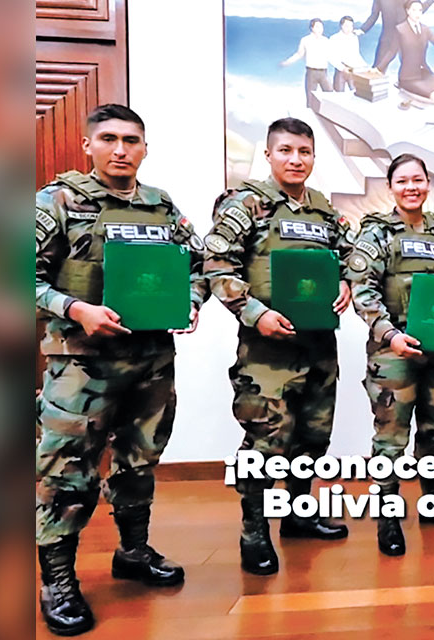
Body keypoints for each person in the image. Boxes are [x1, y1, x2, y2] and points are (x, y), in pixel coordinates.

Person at [35, 104, 208, 635]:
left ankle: (133, 552)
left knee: (139, 462)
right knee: (66, 472)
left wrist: (190, 302)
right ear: (88, 146)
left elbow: (197, 266)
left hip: (151, 363)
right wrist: (76, 309)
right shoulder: (57, 201)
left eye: (131, 140)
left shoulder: (162, 207)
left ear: (145, 148)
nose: (120, 149)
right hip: (81, 367)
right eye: (108, 138)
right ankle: (58, 581)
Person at [203, 117, 355, 576]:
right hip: (266, 350)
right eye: (286, 150)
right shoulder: (245, 204)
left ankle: (297, 516)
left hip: (318, 347)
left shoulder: (325, 212)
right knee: (266, 442)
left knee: (313, 435)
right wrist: (256, 314)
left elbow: (349, 258)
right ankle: (254, 532)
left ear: (313, 157)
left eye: (304, 152)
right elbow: (216, 265)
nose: (296, 159)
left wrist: (347, 282)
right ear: (269, 155)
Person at [347, 153, 434, 556]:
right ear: (391, 187)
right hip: (394, 354)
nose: (411, 187)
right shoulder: (377, 234)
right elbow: (362, 290)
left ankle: (433, 502)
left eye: (418, 180)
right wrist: (390, 335)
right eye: (402, 181)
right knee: (391, 439)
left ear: (427, 185)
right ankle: (388, 518)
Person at [375, 0, 434, 106]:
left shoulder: (425, 29)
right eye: (414, 10)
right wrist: (378, 69)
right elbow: (391, 52)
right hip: (408, 77)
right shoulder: (400, 29)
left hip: (425, 73)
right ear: (408, 11)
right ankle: (407, 95)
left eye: (419, 10)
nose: (417, 13)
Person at [361, 0, 434, 75]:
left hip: (406, 38)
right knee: (376, 70)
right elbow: (374, 15)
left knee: (413, 70)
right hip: (387, 38)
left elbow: (417, 10)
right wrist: (362, 29)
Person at [281, 18, 334, 108]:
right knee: (310, 99)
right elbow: (299, 54)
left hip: (323, 73)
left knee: (331, 96)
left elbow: (332, 56)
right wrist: (288, 62)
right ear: (312, 28)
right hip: (311, 72)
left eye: (321, 27)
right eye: (317, 27)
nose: (320, 29)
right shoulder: (305, 40)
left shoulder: (326, 41)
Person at [330, 15, 372, 92]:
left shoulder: (354, 38)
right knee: (338, 95)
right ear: (341, 26)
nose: (349, 28)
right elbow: (331, 57)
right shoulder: (334, 38)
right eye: (346, 26)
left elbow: (356, 55)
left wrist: (365, 67)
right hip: (341, 71)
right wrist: (342, 68)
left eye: (351, 26)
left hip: (353, 71)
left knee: (356, 93)